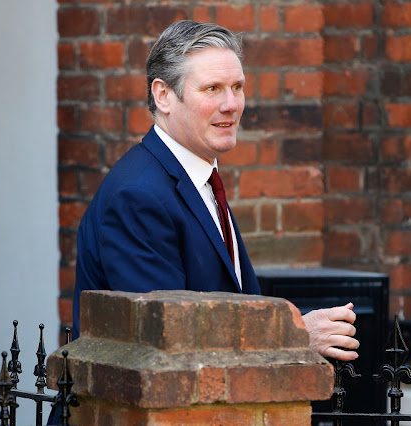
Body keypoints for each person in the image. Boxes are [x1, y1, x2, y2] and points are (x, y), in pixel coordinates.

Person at [72, 20, 359, 362]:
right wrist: (292, 336)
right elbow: (166, 343)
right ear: (163, 95)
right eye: (212, 89)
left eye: (237, 87)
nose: (231, 104)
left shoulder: (198, 177)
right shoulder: (138, 196)